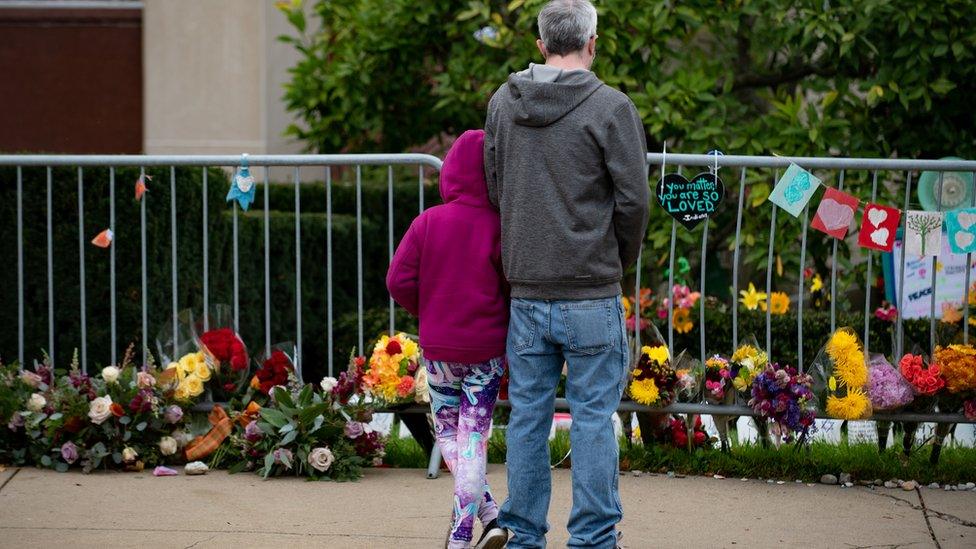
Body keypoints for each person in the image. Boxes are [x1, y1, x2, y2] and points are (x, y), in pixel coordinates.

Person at [483, 0, 650, 547]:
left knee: (528, 419)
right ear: (592, 42)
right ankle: (594, 540)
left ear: (540, 45)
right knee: (593, 419)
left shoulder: (502, 107)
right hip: (591, 290)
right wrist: (615, 261)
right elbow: (634, 201)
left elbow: (494, 187)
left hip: (528, 291)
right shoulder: (611, 108)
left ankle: (523, 535)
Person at [387, 129, 510, 549]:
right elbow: (512, 286)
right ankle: (488, 516)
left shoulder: (427, 222)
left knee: (450, 436)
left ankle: (460, 536)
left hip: (439, 352)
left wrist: (429, 310)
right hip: (488, 352)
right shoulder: (500, 226)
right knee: (473, 437)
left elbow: (397, 279)